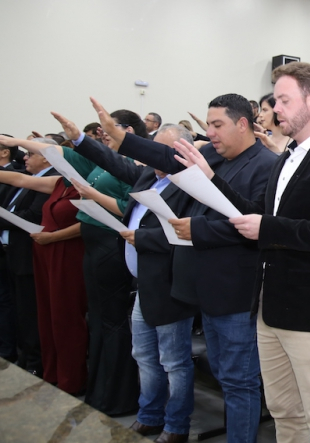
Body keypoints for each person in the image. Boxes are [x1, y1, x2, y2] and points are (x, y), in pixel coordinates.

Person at [172, 61, 310, 443]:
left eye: (283, 100)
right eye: (275, 101)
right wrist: (210, 178)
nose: (274, 109)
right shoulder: (287, 156)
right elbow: (255, 213)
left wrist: (268, 228)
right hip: (270, 306)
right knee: (284, 413)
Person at [97, 94, 277, 443]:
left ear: (242, 124)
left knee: (240, 382)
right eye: (209, 125)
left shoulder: (267, 165)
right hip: (205, 288)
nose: (210, 133)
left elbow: (256, 226)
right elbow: (167, 158)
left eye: (217, 125)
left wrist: (198, 230)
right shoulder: (214, 155)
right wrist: (121, 140)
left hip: (237, 292)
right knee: (225, 376)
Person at [54, 113, 198, 443]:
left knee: (173, 362)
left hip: (171, 287)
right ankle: (149, 415)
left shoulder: (190, 186)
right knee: (143, 355)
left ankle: (176, 426)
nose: (152, 156)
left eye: (161, 150)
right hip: (143, 282)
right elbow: (112, 161)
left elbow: (189, 235)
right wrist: (79, 139)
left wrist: (142, 238)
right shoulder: (148, 174)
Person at [6, 117, 145, 414]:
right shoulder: (98, 164)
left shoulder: (133, 167)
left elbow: (127, 208)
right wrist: (16, 142)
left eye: (110, 131)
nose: (104, 135)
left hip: (110, 244)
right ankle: (99, 391)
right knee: (97, 320)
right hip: (93, 246)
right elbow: (60, 153)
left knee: (112, 322)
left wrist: (94, 197)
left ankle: (117, 397)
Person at [0, 157, 86, 394]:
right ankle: (51, 370)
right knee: (45, 315)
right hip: (43, 253)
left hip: (65, 254)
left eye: (32, 153)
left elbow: (90, 222)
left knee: (63, 317)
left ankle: (69, 377)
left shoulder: (84, 185)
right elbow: (19, 179)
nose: (25, 157)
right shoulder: (59, 182)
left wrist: (54, 237)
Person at [0, 138, 59, 377]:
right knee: (17, 309)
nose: (24, 157)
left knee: (30, 312)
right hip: (12, 253)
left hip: (29, 254)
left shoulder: (50, 179)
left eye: (30, 154)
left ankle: (34, 362)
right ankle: (24, 356)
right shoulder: (29, 178)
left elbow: (32, 216)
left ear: (45, 157)